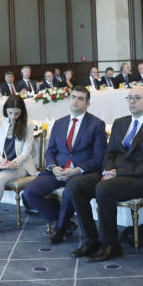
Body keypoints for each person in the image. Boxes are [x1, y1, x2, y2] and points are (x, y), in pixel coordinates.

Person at [66, 86, 143, 261]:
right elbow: (109, 153)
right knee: (75, 185)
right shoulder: (120, 123)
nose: (132, 101)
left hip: (141, 179)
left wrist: (117, 173)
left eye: (137, 97)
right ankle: (91, 239)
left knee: (104, 189)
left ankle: (110, 244)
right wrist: (107, 170)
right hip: (113, 174)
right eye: (129, 98)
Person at [23, 87, 108, 244]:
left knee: (70, 191)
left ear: (87, 104)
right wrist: (53, 167)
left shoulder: (96, 125)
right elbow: (50, 152)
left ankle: (60, 229)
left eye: (80, 98)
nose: (76, 100)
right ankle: (64, 222)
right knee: (29, 193)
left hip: (81, 173)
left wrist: (77, 169)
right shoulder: (59, 123)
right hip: (57, 171)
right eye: (73, 97)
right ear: (69, 100)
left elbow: (99, 157)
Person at [0, 96, 37, 236]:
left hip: (20, 165)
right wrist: (0, 161)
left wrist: (14, 162)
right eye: (10, 113)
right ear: (6, 110)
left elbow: (27, 151)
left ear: (21, 112)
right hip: (1, 163)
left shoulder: (28, 124)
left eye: (16, 113)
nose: (13, 117)